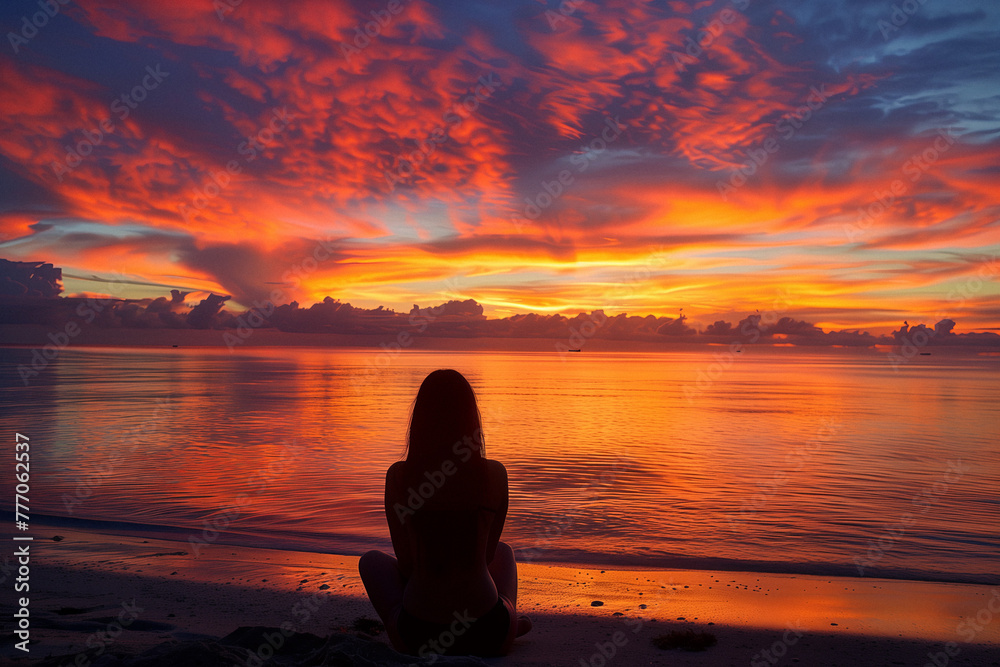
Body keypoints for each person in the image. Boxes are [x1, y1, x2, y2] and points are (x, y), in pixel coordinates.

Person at [359, 369, 531, 658]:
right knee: (504, 552)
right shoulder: (494, 474)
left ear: (420, 422)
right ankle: (511, 621)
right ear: (471, 421)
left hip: (417, 636)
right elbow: (487, 557)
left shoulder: (400, 477)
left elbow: (406, 562)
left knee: (371, 562)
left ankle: (507, 620)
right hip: (490, 632)